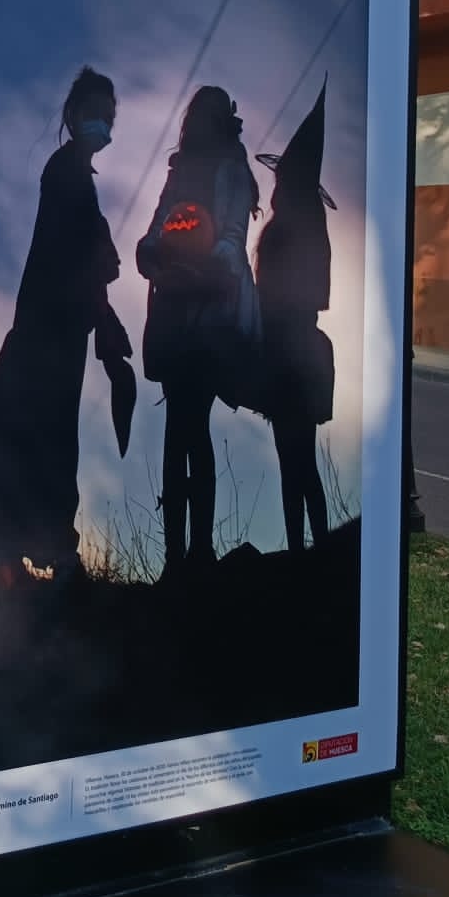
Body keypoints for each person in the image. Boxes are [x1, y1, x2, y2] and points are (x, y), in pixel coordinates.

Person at [0, 68, 130, 587]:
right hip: (49, 323)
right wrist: (97, 303)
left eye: (109, 114)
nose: (104, 122)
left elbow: (86, 253)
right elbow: (72, 252)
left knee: (37, 433)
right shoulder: (64, 171)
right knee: (41, 435)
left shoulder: (74, 175)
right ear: (73, 116)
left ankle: (18, 551)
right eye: (96, 111)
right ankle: (41, 553)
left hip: (59, 324)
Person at [136, 84, 261, 580]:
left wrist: (208, 268)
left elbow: (232, 234)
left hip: (210, 312)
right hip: (173, 306)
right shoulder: (178, 174)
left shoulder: (232, 170)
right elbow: (157, 229)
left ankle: (201, 551)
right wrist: (154, 254)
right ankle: (174, 556)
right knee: (177, 433)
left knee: (195, 428)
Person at [255, 87, 335, 553]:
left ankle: (305, 548)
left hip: (289, 350)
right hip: (303, 348)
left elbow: (278, 294)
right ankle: (310, 545)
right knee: (301, 459)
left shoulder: (289, 229)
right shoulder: (310, 227)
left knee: (295, 459)